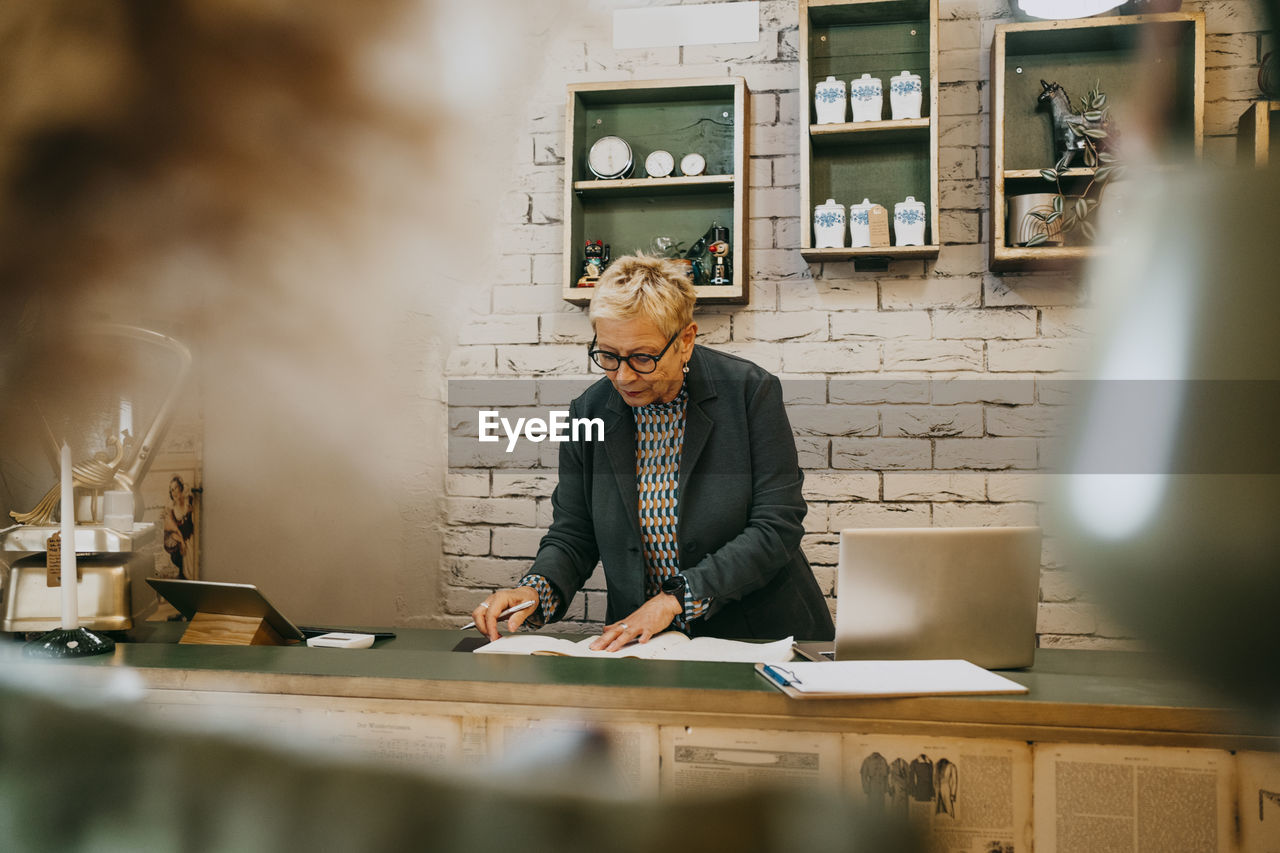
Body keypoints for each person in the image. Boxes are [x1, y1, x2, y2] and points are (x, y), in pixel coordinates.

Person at [472, 254, 834, 651]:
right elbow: (574, 532)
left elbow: (776, 525)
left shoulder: (750, 392)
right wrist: (534, 591)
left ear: (685, 341)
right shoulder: (588, 411)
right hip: (646, 644)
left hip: (758, 635)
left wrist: (675, 599)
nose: (623, 376)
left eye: (643, 357)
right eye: (608, 355)